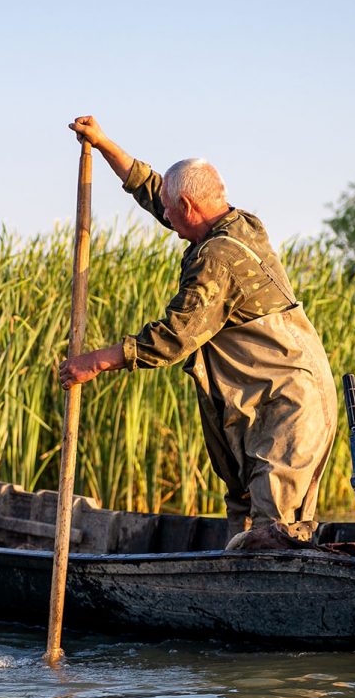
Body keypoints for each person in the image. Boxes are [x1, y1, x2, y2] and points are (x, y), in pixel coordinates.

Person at [59, 116, 337, 544]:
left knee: (274, 535)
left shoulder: (218, 259)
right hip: (262, 404)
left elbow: (174, 336)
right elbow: (157, 192)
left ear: (189, 207)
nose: (165, 218)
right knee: (244, 519)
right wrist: (103, 144)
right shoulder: (238, 222)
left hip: (288, 411)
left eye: (171, 211)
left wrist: (95, 362)